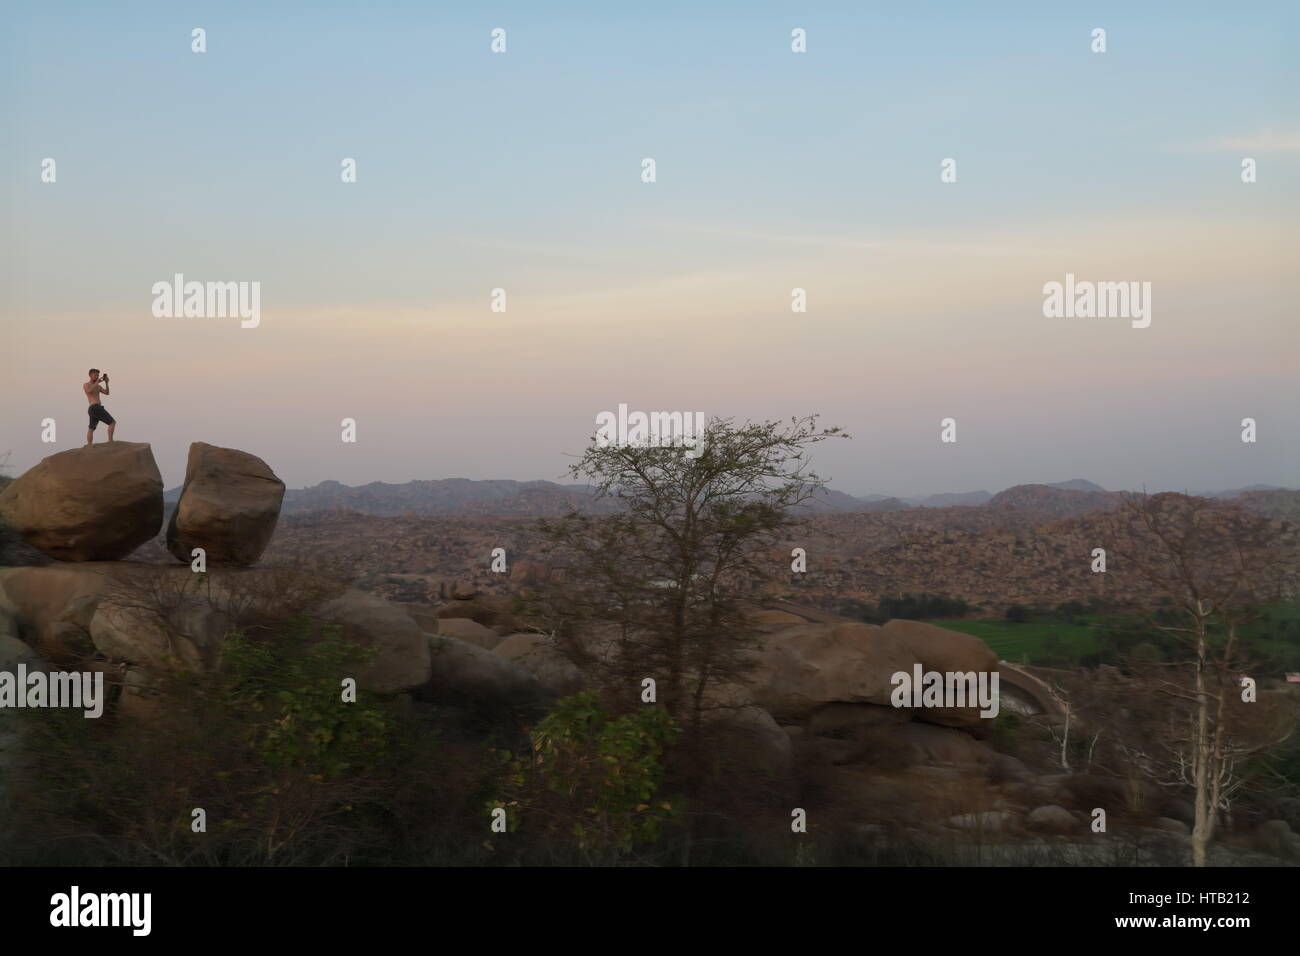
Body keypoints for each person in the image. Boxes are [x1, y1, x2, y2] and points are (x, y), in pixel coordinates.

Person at [84, 368, 116, 444]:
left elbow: (107, 393)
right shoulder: (86, 384)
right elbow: (88, 391)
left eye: (98, 375)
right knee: (112, 422)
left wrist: (106, 383)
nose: (97, 377)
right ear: (90, 375)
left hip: (95, 408)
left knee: (91, 428)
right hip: (94, 407)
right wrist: (97, 383)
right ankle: (110, 441)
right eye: (95, 375)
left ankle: (89, 445)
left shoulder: (98, 386)